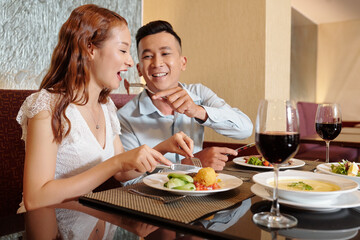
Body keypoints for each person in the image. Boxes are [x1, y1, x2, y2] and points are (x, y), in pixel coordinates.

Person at [16, 5, 194, 212]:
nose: (130, 61)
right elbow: (35, 198)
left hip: (88, 217)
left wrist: (162, 147)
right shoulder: (46, 106)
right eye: (122, 50)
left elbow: (122, 173)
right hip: (46, 222)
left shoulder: (106, 106)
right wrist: (116, 163)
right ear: (90, 48)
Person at [117, 20, 253, 172]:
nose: (157, 63)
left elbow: (245, 129)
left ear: (183, 63)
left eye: (165, 53)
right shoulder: (124, 117)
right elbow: (129, 182)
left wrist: (197, 111)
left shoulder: (200, 93)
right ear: (139, 69)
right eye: (148, 56)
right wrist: (190, 164)